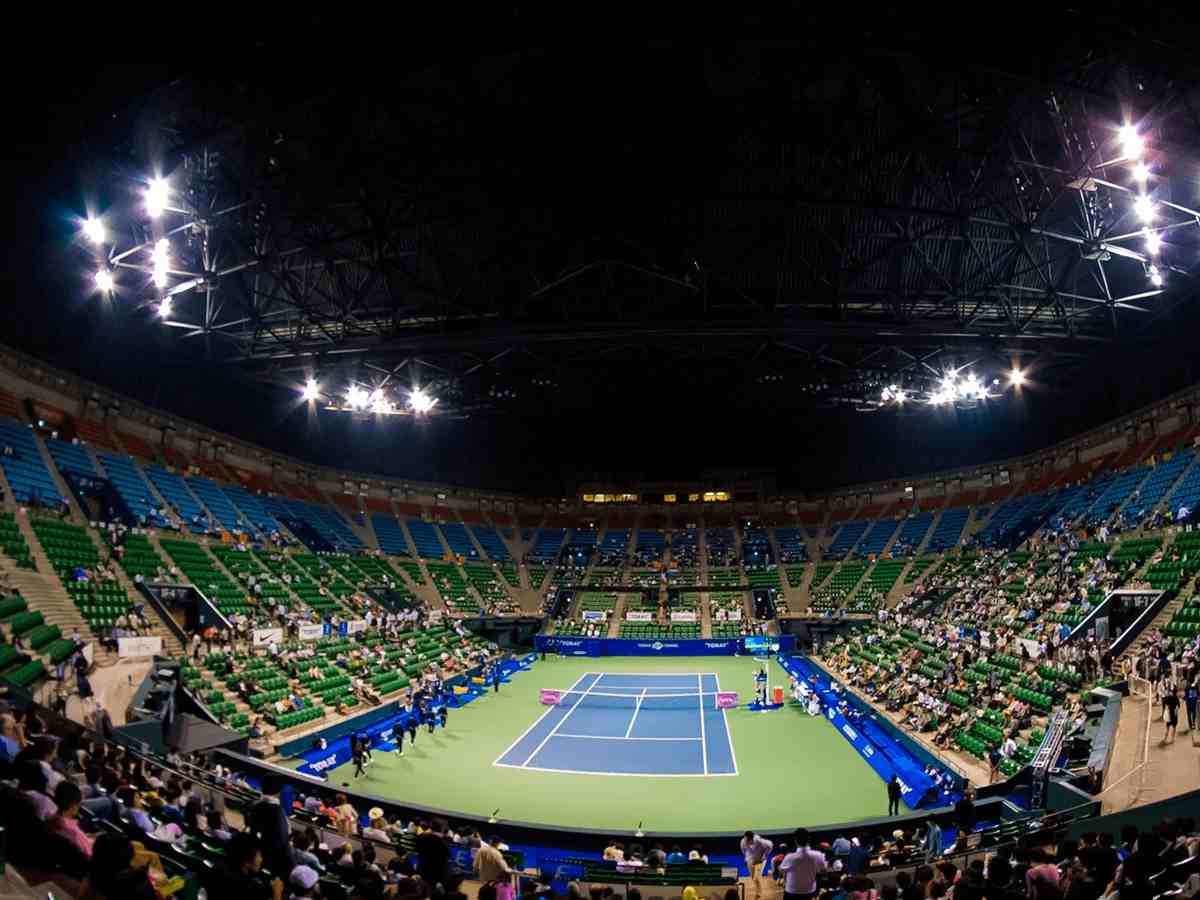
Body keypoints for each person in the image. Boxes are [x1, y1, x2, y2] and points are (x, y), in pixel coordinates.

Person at [778, 828, 827, 900]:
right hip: (810, 892)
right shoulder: (819, 855)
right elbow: (823, 871)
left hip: (791, 892)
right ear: (809, 839)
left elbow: (781, 870)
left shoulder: (790, 857)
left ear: (795, 840)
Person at [741, 830, 774, 898]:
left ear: (751, 839)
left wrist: (765, 855)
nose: (745, 841)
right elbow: (743, 850)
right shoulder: (743, 841)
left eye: (747, 840)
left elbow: (770, 845)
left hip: (760, 861)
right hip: (750, 861)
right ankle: (758, 889)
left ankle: (759, 893)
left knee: (756, 877)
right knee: (753, 877)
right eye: (745, 839)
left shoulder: (760, 841)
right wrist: (746, 858)